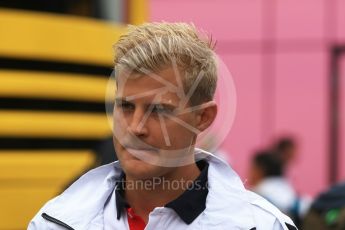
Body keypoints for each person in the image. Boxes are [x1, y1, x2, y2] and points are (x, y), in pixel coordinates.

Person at [28, 22, 296, 229]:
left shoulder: (263, 225)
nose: (135, 128)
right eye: (126, 107)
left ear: (202, 118)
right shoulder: (55, 221)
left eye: (158, 110)